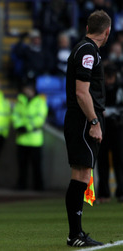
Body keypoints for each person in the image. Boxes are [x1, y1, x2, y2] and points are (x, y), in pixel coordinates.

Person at [64, 10, 111, 247]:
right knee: (81, 174)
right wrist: (94, 122)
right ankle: (75, 235)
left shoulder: (85, 49)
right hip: (83, 120)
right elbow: (81, 92)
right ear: (107, 31)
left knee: (81, 175)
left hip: (81, 119)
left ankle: (76, 233)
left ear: (86, 28)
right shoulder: (88, 51)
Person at [12, 84, 48, 191]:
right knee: (22, 165)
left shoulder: (39, 101)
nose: (27, 91)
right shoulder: (20, 101)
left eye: (29, 89)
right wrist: (19, 126)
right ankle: (22, 185)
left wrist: (26, 127)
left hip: (34, 140)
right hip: (22, 139)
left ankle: (38, 186)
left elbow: (40, 119)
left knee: (36, 165)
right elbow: (15, 115)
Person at [97, 62, 123, 203]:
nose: (108, 80)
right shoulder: (100, 88)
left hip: (117, 127)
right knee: (102, 161)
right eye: (106, 77)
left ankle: (121, 191)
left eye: (110, 77)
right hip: (103, 128)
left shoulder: (120, 88)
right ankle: (104, 193)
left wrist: (110, 112)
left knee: (119, 160)